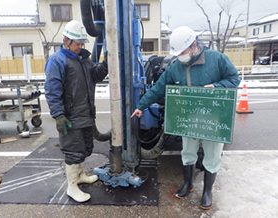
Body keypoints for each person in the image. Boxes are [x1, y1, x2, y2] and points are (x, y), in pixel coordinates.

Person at [131, 26, 240, 210]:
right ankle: (188, 184)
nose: (180, 56)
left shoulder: (216, 59)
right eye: (178, 53)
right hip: (189, 119)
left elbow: (234, 79)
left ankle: (207, 191)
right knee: (188, 153)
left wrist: (216, 86)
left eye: (182, 52)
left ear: (194, 46)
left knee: (212, 157)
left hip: (213, 118)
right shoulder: (176, 67)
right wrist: (141, 106)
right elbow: (159, 87)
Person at [44, 20, 108, 202]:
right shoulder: (57, 60)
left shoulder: (83, 60)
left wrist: (105, 65)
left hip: (85, 114)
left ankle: (80, 175)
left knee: (84, 147)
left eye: (82, 43)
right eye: (77, 43)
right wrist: (58, 115)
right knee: (73, 150)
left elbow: (94, 76)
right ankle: (72, 186)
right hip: (70, 117)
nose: (80, 46)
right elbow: (52, 89)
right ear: (66, 40)